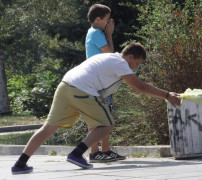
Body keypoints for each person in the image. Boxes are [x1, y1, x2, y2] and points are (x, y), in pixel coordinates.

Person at [11, 43, 181, 175]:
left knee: (49, 127)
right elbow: (140, 87)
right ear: (129, 56)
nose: (135, 68)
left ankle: (20, 164)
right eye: (136, 63)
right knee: (107, 125)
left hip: (65, 85)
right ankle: (77, 154)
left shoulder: (108, 58)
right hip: (81, 89)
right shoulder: (120, 62)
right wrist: (166, 95)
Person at [85, 4, 124, 163]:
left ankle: (103, 151)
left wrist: (107, 34)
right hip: (98, 83)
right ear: (98, 19)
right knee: (101, 117)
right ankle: (96, 152)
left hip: (100, 82)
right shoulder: (96, 33)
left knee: (105, 116)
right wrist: (109, 34)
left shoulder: (94, 32)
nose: (109, 23)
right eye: (107, 20)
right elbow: (110, 55)